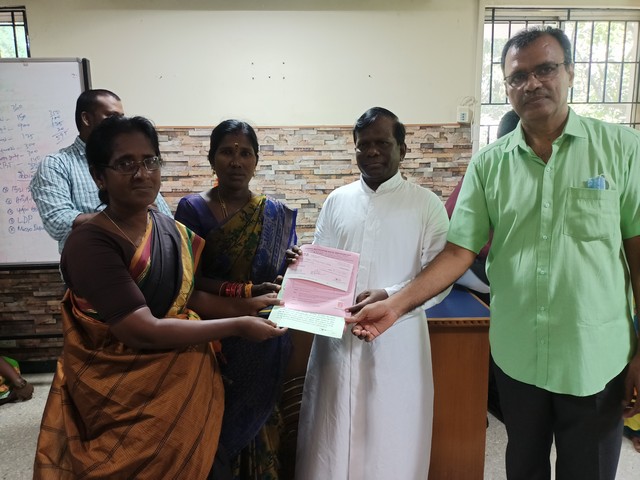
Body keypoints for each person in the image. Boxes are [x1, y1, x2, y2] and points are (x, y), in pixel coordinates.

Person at [350, 27, 640, 480]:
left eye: (545, 69)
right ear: (507, 88)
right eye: (518, 76)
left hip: (595, 355)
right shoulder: (489, 163)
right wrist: (396, 304)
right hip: (518, 354)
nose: (532, 83)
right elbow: (458, 252)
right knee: (522, 466)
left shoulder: (621, 149)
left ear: (570, 73)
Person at [33, 115, 287, 479]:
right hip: (124, 398)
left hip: (188, 386)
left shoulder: (167, 228)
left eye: (149, 161)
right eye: (125, 163)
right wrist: (237, 325)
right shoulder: (91, 242)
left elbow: (188, 296)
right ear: (99, 176)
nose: (142, 173)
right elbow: (140, 330)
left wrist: (247, 305)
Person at [293, 107, 450, 479]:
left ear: (403, 149)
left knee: (390, 433)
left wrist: (390, 295)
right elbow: (323, 265)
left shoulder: (426, 204)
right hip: (338, 339)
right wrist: (302, 266)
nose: (372, 152)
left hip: (398, 340)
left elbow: (440, 278)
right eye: (363, 145)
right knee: (330, 430)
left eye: (382, 143)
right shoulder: (337, 200)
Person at [175, 119, 297, 479]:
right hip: (215, 332)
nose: (236, 161)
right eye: (227, 152)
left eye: (245, 153)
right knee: (215, 422)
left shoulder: (274, 213)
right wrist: (242, 292)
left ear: (256, 161)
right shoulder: (192, 209)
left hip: (263, 334)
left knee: (263, 418)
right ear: (212, 159)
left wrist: (293, 264)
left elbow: (279, 279)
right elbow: (189, 280)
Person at [30, 89, 172, 253]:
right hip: (90, 260)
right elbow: (58, 222)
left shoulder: (140, 168)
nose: (120, 124)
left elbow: (164, 216)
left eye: (122, 117)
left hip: (148, 260)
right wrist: (126, 216)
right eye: (112, 117)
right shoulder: (57, 164)